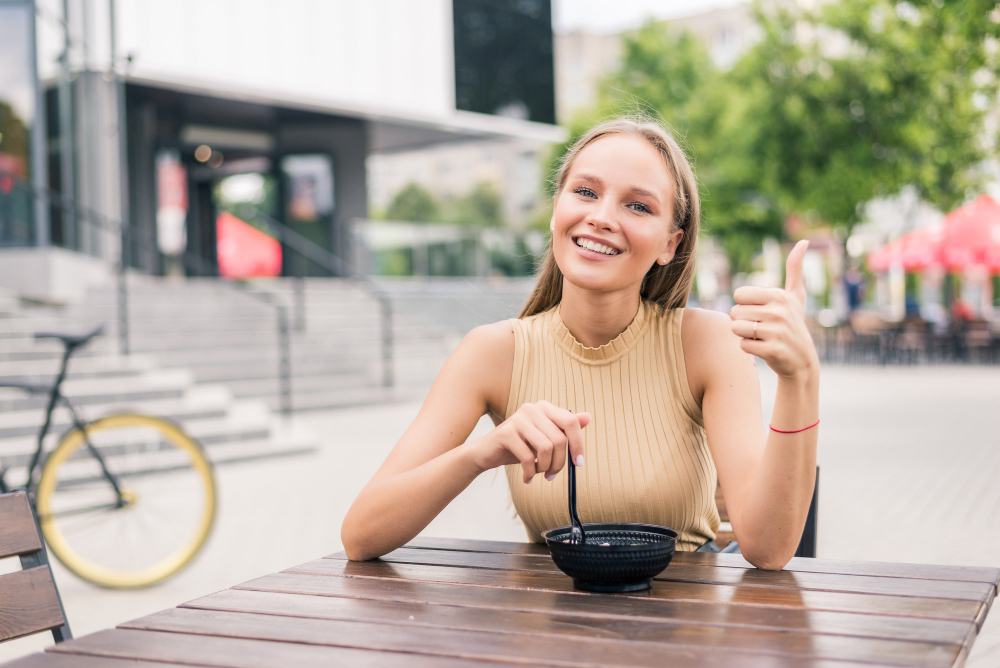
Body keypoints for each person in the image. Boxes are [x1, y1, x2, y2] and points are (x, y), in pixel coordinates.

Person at [341, 117, 820, 570]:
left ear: (670, 245)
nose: (601, 217)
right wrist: (483, 452)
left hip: (684, 626)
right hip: (551, 630)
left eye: (638, 206)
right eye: (586, 192)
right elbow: (361, 535)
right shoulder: (492, 352)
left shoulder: (706, 343)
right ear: (556, 212)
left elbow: (768, 548)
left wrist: (800, 377)